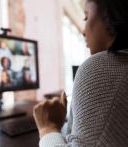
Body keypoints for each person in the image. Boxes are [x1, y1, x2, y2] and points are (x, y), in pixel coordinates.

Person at [33, 0, 128, 147]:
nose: (83, 31)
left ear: (111, 18)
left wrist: (48, 128)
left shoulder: (100, 68)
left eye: (86, 17)